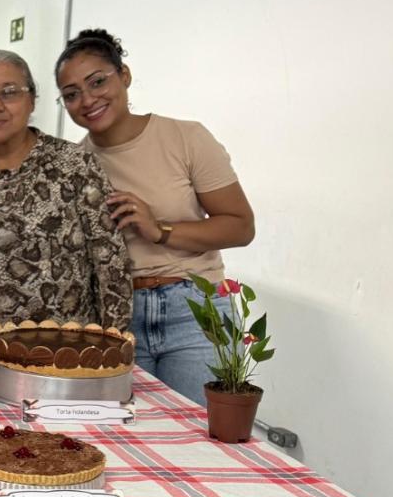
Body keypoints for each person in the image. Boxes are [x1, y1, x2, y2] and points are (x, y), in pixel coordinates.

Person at [55, 29, 255, 404]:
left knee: (198, 439)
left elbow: (241, 226)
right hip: (116, 316)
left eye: (98, 81)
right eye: (71, 94)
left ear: (124, 76)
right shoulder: (73, 165)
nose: (87, 99)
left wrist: (159, 230)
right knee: (127, 437)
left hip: (194, 310)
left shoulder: (185, 138)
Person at [0, 50, 131, 365]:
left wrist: (111, 350)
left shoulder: (75, 166)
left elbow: (110, 265)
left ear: (32, 100)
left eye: (9, 93)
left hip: (64, 357)